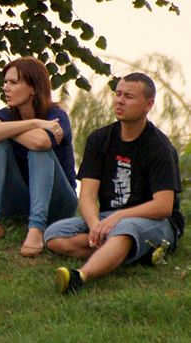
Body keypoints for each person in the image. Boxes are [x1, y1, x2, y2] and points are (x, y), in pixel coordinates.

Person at [46, 73, 184, 294]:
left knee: (126, 229)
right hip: (109, 218)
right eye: (117, 94)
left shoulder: (159, 147)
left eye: (128, 96)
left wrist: (119, 217)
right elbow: (88, 195)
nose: (119, 101)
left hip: (155, 220)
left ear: (148, 105)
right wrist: (94, 226)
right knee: (54, 235)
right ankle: (134, 252)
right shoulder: (99, 139)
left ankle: (80, 276)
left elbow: (163, 206)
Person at [0, 57, 78, 257]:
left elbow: (41, 143)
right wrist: (36, 123)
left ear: (33, 88)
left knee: (39, 150)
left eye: (13, 82)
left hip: (59, 203)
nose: (6, 88)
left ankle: (37, 229)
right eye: (5, 82)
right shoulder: (7, 113)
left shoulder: (57, 115)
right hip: (18, 202)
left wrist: (4, 129)